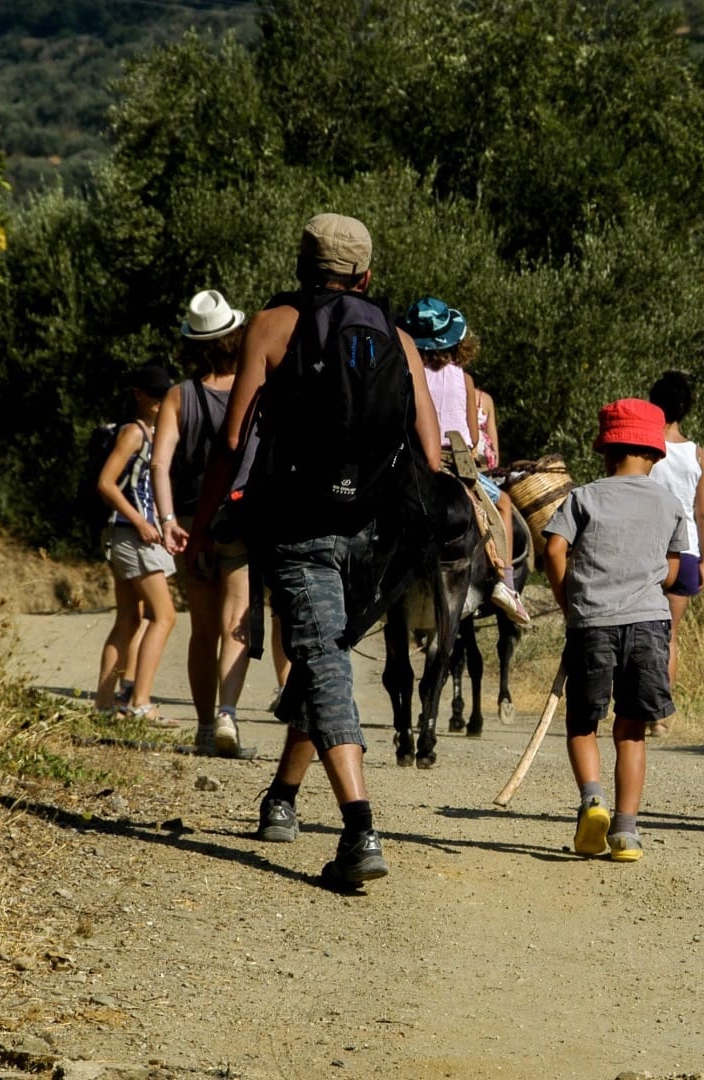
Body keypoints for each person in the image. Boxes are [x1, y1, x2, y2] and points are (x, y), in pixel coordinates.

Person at [193, 212, 440, 886]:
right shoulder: (398, 340)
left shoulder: (271, 326)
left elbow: (233, 440)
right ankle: (282, 796)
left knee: (323, 666)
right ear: (367, 274)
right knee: (317, 660)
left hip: (299, 527)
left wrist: (206, 520)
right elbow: (430, 450)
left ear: (303, 267)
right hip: (375, 533)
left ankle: (358, 829)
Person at [543, 399, 687, 863]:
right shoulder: (669, 503)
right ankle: (626, 832)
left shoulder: (583, 496)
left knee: (582, 723)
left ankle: (592, 800)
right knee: (631, 730)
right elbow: (671, 571)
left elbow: (554, 549)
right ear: (656, 453)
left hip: (592, 625)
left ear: (605, 452)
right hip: (648, 626)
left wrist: (571, 602)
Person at [150, 289, 259, 758]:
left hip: (193, 521)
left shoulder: (178, 396)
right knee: (239, 620)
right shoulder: (254, 391)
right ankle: (228, 714)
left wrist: (169, 518)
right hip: (239, 518)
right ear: (234, 337)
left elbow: (158, 463)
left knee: (203, 628)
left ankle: (201, 727)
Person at [401, 297, 531, 627]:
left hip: (416, 461)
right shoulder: (466, 380)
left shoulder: (407, 373)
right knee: (501, 504)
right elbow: (473, 438)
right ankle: (506, 582)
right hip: (458, 465)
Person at [92, 362, 180, 728]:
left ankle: (104, 704)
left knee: (129, 618)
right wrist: (143, 522)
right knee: (165, 616)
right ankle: (139, 702)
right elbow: (106, 483)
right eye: (157, 397)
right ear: (140, 396)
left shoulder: (154, 431)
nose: (163, 403)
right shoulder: (133, 433)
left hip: (128, 533)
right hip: (130, 533)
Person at [645, 369, 704, 736]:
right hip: (684, 550)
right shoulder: (697, 454)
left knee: (637, 632)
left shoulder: (643, 448)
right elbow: (703, 513)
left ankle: (635, 706)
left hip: (646, 549)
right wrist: (702, 558)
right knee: (669, 636)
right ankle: (660, 716)